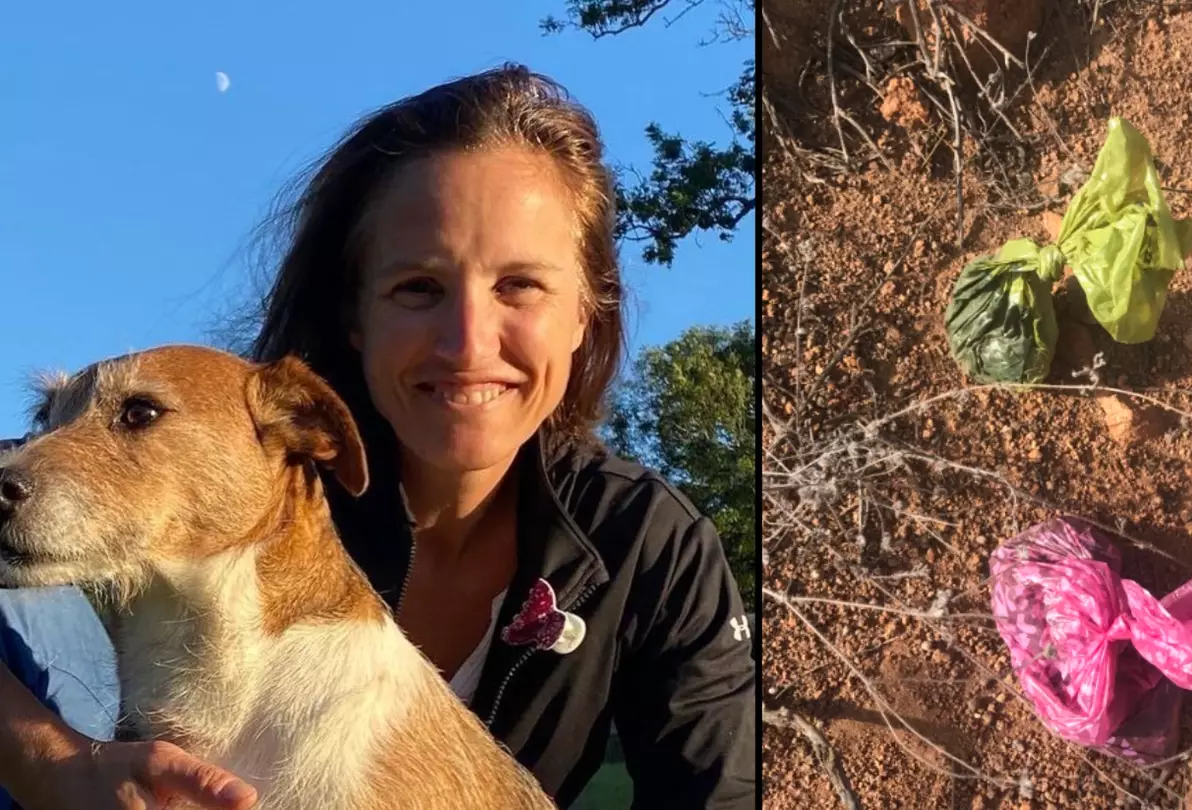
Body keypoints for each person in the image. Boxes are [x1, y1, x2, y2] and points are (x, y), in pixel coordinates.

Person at [0, 63, 756, 809]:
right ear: (356, 316)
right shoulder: (278, 469)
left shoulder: (655, 544)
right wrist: (47, 760)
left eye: (519, 285)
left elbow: (720, 791)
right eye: (418, 288)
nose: (467, 342)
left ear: (586, 312)